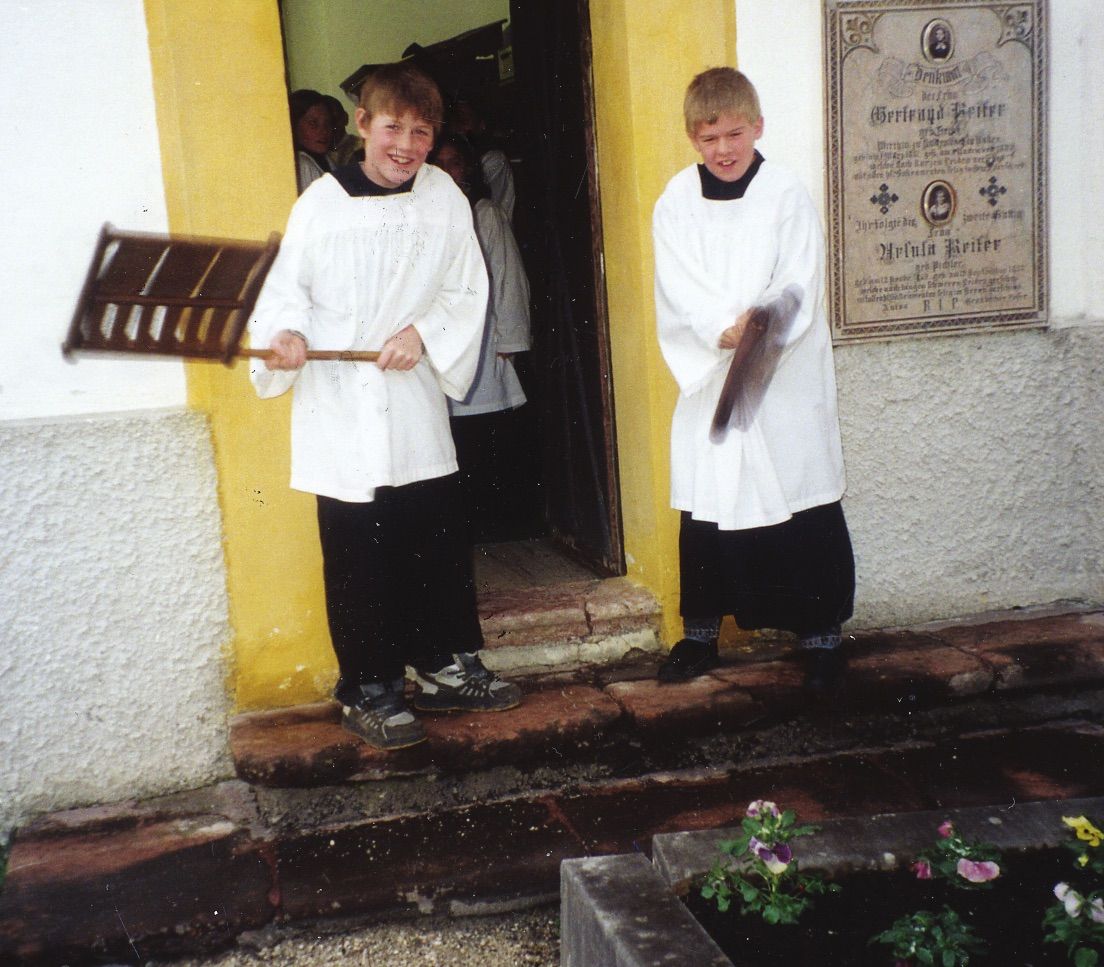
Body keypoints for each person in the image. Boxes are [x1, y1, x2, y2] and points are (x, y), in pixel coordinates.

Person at [249, 63, 522, 752]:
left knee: (432, 535)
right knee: (359, 548)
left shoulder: (445, 198)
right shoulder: (321, 205)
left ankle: (440, 664)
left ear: (435, 136)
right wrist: (285, 338)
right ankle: (369, 686)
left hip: (410, 394)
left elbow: (466, 289)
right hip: (340, 404)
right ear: (363, 125)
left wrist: (423, 333)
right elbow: (285, 293)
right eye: (392, 127)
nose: (405, 144)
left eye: (421, 132)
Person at [652, 67, 855, 693]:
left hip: (782, 380)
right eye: (709, 138)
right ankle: (700, 635)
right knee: (709, 504)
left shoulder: (787, 194)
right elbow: (675, 283)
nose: (723, 150)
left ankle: (819, 634)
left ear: (757, 126)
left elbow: (799, 280)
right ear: (692, 137)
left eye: (734, 134)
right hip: (713, 370)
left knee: (801, 497)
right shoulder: (675, 201)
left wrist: (761, 323)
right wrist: (722, 327)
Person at [432, 133, 532, 542]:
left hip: (485, 341)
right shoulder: (426, 215)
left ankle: (498, 528)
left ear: (468, 169)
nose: (448, 172)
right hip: (440, 346)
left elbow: (509, 279)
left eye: (455, 163)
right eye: (440, 165)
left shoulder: (484, 213)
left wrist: (510, 339)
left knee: (487, 435)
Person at [289, 89, 333, 194]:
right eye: (313, 123)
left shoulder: (325, 159)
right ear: (294, 125)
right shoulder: (302, 164)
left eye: (327, 123)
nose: (323, 131)